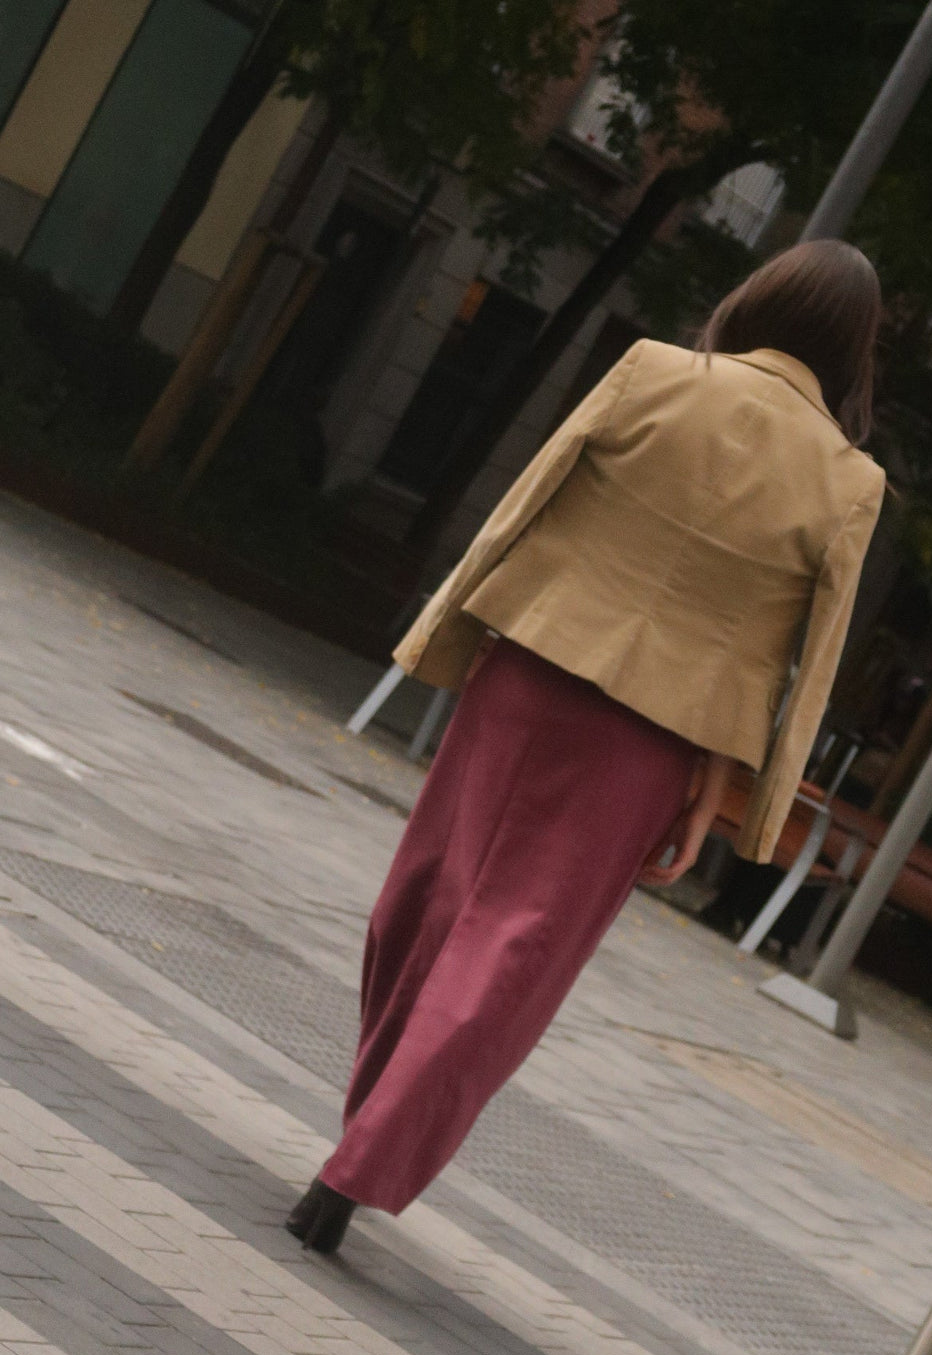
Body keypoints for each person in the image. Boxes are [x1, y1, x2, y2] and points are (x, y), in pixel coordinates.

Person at [287, 238, 887, 1254]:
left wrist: (448, 634)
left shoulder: (651, 369)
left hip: (526, 674)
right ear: (853, 352)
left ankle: (364, 1131)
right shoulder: (848, 480)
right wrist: (736, 798)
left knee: (427, 894)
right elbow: (804, 662)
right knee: (520, 948)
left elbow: (524, 506)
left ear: (759, 298)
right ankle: (363, 1160)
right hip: (650, 747)